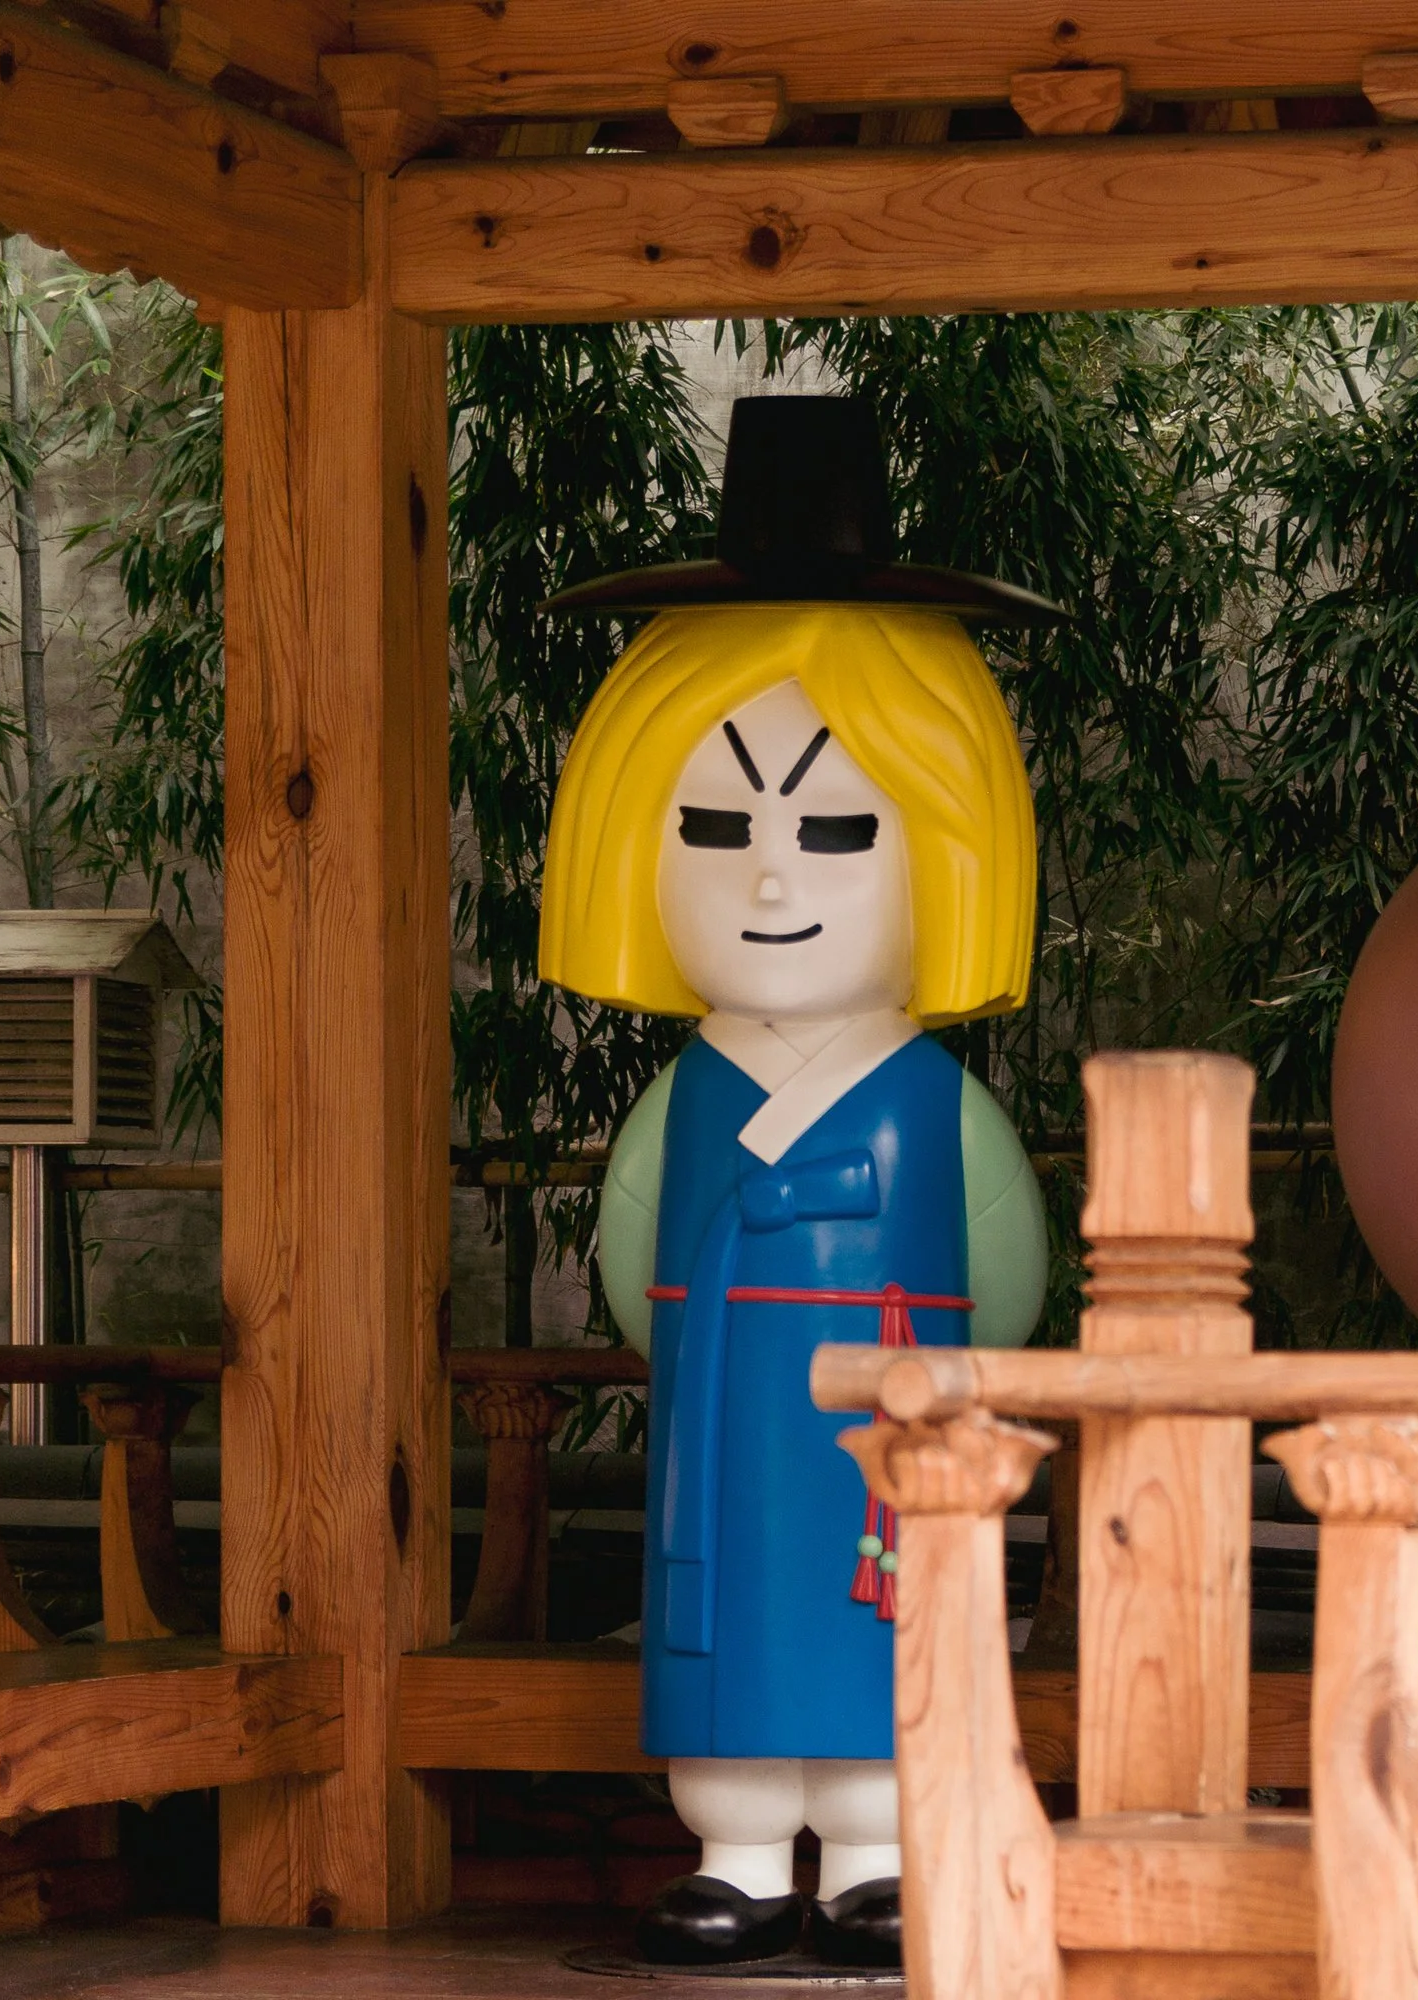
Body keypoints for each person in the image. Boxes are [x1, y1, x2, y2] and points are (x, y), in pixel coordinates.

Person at [540, 398, 1057, 1965]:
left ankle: (885, 1845)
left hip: (889, 1428)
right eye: (713, 824)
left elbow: (1011, 1273)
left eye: (836, 828)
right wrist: (695, 1355)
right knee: (726, 1615)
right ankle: (742, 1850)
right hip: (721, 1417)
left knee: (875, 1621)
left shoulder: (927, 1096)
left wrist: (955, 1389)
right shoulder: (689, 1090)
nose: (770, 876)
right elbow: (635, 1266)